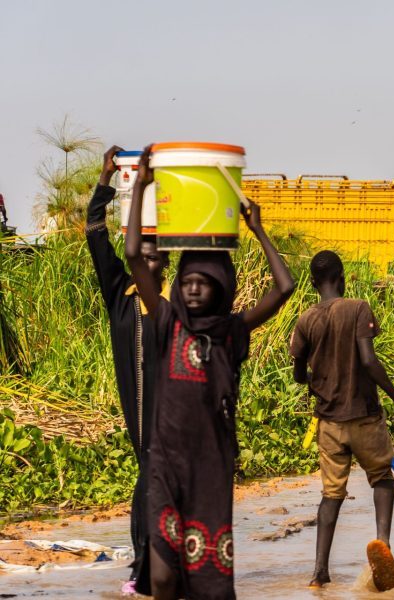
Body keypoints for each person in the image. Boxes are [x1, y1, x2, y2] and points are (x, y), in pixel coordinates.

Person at [125, 147, 296, 600]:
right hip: (166, 461)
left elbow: (285, 287)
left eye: (204, 281)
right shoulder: (166, 321)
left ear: (222, 287)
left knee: (208, 580)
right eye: (187, 281)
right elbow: (134, 258)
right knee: (162, 579)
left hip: (210, 466)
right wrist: (141, 184)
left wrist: (258, 230)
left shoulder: (230, 332)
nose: (194, 287)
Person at [290, 250, 394, 590]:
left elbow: (298, 375)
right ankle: (384, 546)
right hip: (364, 417)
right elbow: (368, 360)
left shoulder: (306, 319)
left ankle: (320, 572)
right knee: (381, 479)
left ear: (314, 283)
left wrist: (313, 376)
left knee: (331, 495)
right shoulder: (358, 308)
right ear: (341, 276)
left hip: (329, 425)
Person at [85, 145, 171, 595]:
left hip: (175, 415)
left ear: (166, 264)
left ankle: (151, 567)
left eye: (155, 258)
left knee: (156, 480)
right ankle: (145, 566)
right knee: (148, 475)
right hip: (140, 415)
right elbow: (96, 234)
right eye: (143, 256)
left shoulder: (178, 306)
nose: (147, 263)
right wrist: (106, 179)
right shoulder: (121, 296)